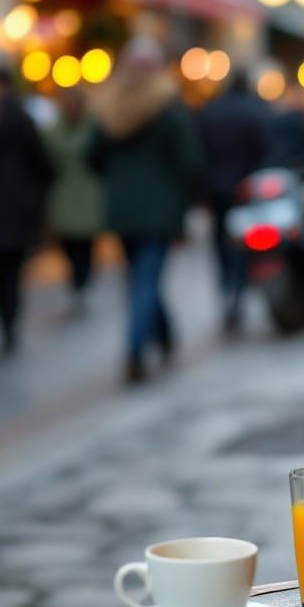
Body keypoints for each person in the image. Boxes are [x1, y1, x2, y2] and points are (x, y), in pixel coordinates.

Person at [88, 37, 202, 383]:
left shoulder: (108, 104)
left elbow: (93, 155)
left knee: (141, 277)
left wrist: (117, 180)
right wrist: (186, 205)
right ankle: (136, 348)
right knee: (147, 278)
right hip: (160, 207)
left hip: (122, 208)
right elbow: (188, 161)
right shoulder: (168, 104)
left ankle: (164, 335)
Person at [0, 66, 53, 354]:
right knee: (11, 271)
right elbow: (42, 165)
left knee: (2, 270)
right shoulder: (21, 120)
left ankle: (6, 323)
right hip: (16, 208)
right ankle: (9, 321)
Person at [195, 68, 270, 332]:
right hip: (243, 189)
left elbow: (198, 152)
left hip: (215, 189)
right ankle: (237, 290)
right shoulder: (253, 111)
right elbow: (264, 149)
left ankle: (226, 287)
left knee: (219, 241)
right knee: (241, 243)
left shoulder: (210, 111)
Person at [43, 87, 104, 313]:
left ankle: (82, 282)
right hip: (63, 194)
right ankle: (77, 281)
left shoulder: (94, 126)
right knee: (68, 243)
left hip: (88, 193)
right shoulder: (52, 130)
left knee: (86, 243)